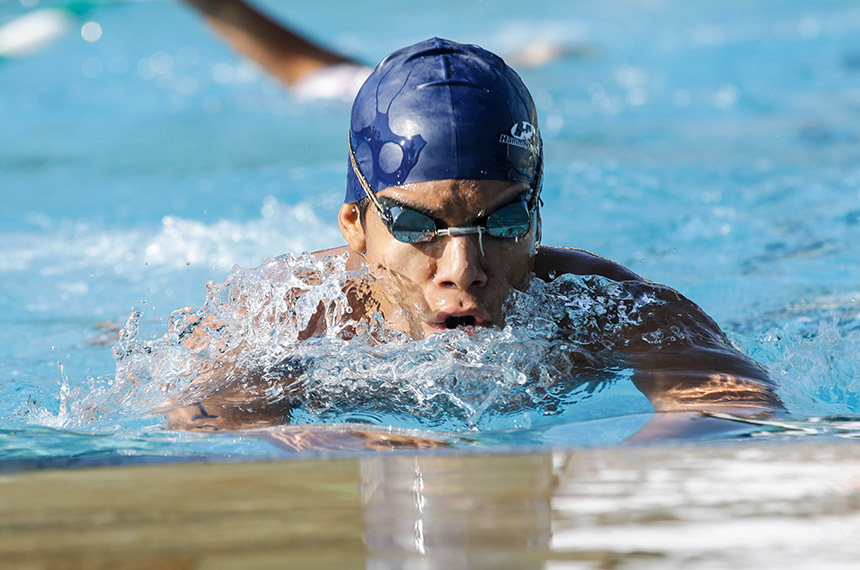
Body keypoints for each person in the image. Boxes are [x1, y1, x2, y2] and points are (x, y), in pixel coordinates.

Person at [152, 37, 783, 441]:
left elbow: (740, 406)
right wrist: (339, 441)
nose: (463, 268)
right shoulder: (290, 313)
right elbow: (194, 419)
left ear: (537, 221)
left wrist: (619, 473)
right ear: (355, 228)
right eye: (413, 225)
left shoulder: (607, 308)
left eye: (502, 224)